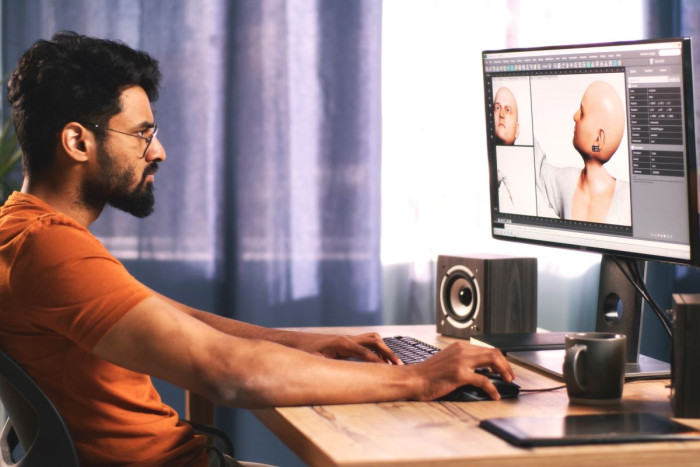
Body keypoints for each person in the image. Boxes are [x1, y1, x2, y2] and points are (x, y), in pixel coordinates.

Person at [0, 32, 514, 466]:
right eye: (141, 134)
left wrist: (296, 342)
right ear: (77, 142)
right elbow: (227, 373)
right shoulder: (48, 248)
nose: (158, 151)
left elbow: (165, 316)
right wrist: (421, 379)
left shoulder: (21, 231)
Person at [535, 80, 630, 225]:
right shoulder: (566, 181)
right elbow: (538, 165)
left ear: (597, 140)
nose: (575, 116)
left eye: (582, 112)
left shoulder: (629, 199)